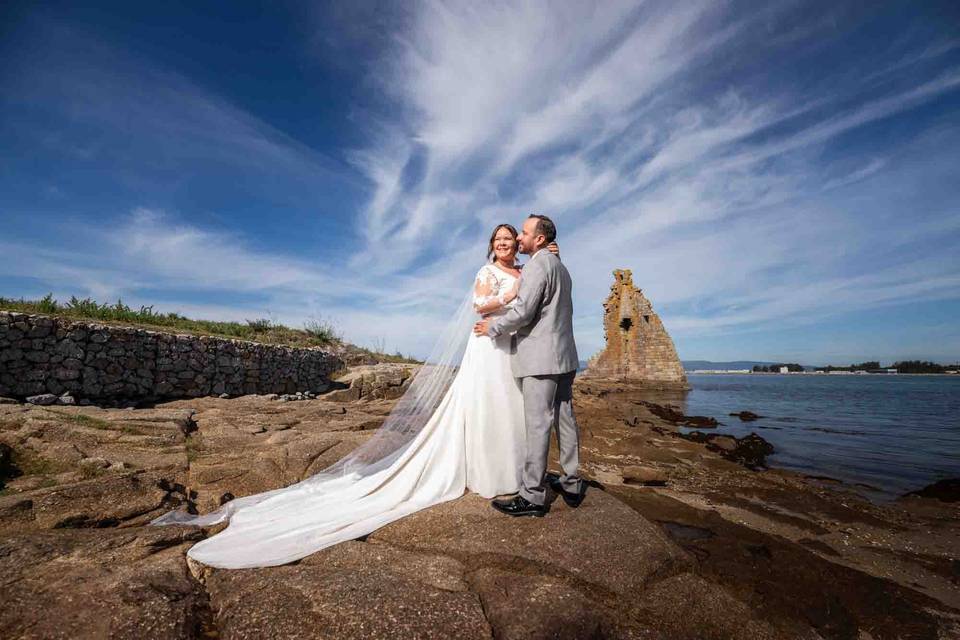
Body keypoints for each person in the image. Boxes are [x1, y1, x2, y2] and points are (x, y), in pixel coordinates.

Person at [150, 223, 563, 568]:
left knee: (507, 406)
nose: (505, 244)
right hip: (486, 345)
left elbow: (537, 283)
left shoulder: (529, 267)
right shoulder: (488, 271)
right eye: (500, 240)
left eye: (511, 240)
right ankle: (485, 470)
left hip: (509, 347)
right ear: (492, 246)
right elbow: (479, 304)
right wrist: (506, 295)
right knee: (484, 405)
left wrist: (545, 257)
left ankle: (509, 470)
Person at [474, 214, 583, 517]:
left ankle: (532, 496)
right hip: (565, 356)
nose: (519, 238)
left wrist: (493, 327)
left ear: (539, 239)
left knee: (538, 423)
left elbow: (523, 311)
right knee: (565, 418)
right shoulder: (561, 267)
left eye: (523, 233)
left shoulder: (537, 264)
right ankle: (572, 482)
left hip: (540, 357)